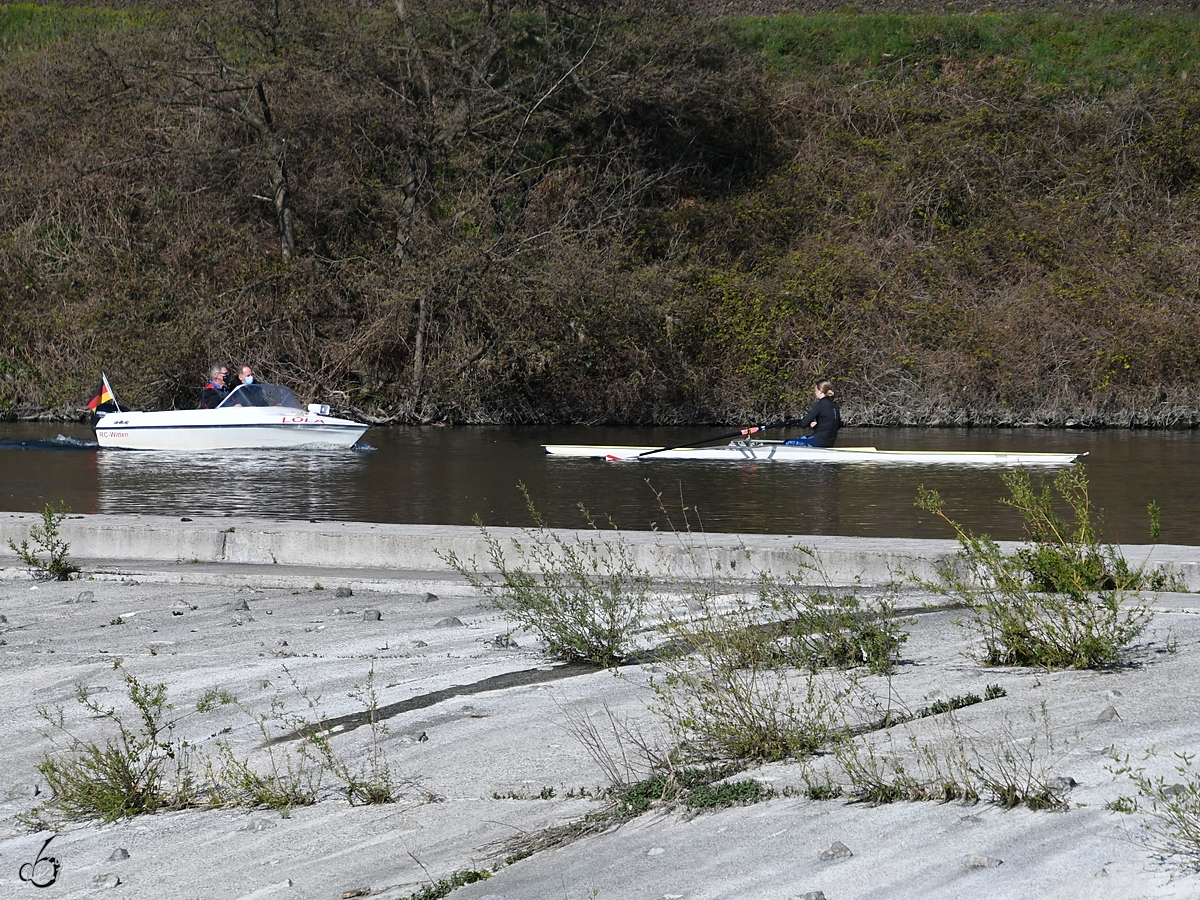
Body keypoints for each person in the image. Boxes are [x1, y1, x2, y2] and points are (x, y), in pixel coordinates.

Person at [785, 379, 841, 447]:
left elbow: (803, 423)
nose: (815, 392)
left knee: (787, 443)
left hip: (819, 441)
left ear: (820, 391)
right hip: (829, 443)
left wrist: (811, 424)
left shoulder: (820, 405)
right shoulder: (835, 406)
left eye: (815, 390)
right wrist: (817, 425)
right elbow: (837, 425)